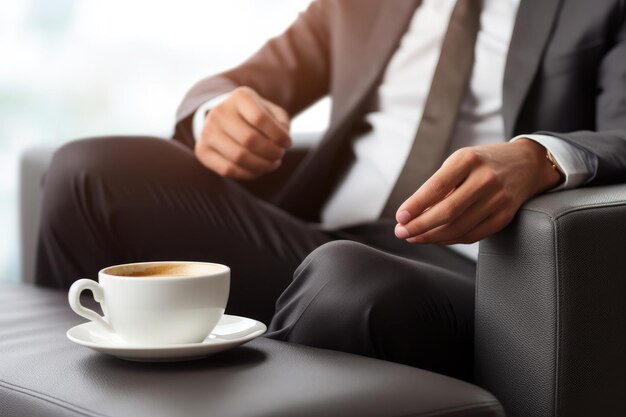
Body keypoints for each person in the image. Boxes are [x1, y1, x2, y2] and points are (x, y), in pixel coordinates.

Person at [36, 0, 626, 380]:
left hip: (472, 276)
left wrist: (541, 156)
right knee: (85, 171)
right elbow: (246, 80)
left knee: (344, 281)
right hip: (311, 244)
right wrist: (216, 115)